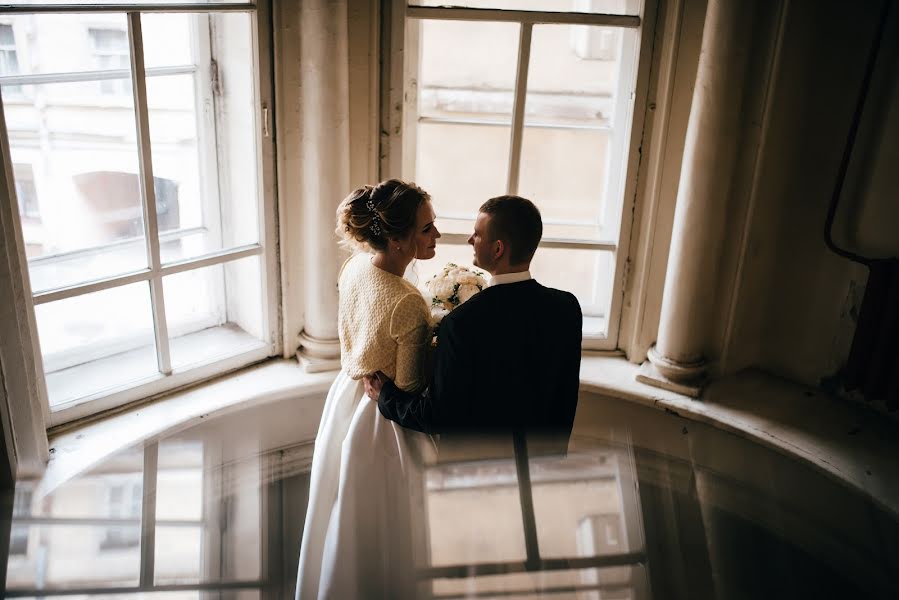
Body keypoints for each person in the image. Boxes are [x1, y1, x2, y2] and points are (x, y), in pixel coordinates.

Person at [296, 179, 440, 599]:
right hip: (388, 423)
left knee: (342, 516)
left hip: (348, 399)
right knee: (397, 532)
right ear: (398, 240)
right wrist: (442, 338)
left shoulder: (357, 266)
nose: (437, 235)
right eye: (427, 228)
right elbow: (412, 384)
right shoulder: (408, 302)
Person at [366, 195, 583, 435]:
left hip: (477, 467)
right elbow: (565, 398)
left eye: (477, 234)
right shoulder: (567, 308)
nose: (470, 240)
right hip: (544, 464)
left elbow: (437, 417)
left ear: (498, 249)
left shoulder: (462, 324)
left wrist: (386, 395)